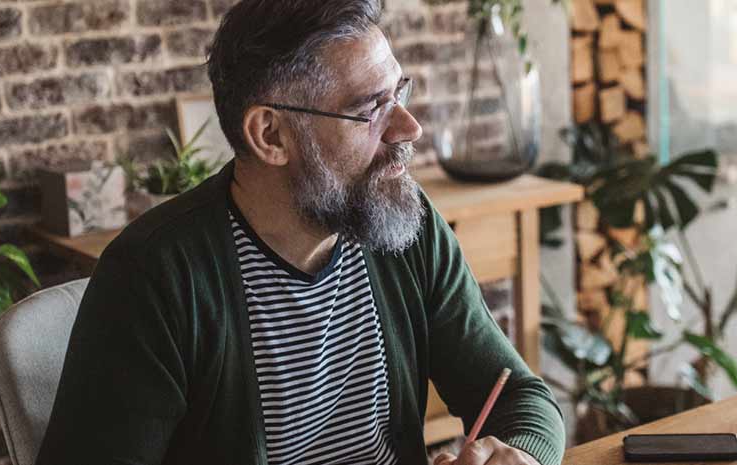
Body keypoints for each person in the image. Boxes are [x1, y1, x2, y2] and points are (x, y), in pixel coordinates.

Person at [34, 2, 565, 465]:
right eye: (370, 107)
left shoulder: (404, 225)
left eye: (398, 91)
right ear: (270, 134)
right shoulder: (155, 276)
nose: (408, 127)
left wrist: (518, 457)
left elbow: (521, 398)